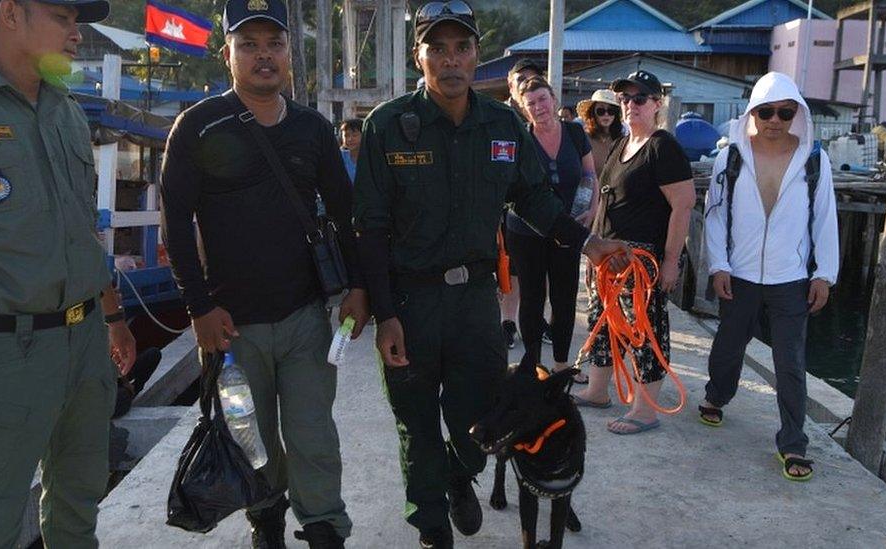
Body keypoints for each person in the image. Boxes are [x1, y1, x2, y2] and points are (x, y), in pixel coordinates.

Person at [352, 3, 630, 547]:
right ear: (420, 57)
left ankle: (461, 475)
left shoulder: (502, 125)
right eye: (438, 48)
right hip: (409, 302)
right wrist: (384, 313)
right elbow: (369, 228)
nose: (451, 60)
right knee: (416, 424)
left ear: (476, 55)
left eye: (462, 48)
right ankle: (432, 526)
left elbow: (535, 200)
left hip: (475, 302)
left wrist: (590, 243)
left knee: (476, 414)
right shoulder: (387, 126)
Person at [0, 0, 137, 545]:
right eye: (63, 18)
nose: (77, 34)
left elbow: (81, 231)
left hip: (86, 344)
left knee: (78, 507)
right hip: (1, 355)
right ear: (11, 13)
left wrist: (113, 316)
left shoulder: (64, 109)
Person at [159, 1, 368, 547]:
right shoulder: (198, 127)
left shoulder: (312, 129)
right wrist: (199, 307)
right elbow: (176, 225)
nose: (263, 56)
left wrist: (359, 288)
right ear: (227, 52)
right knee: (254, 437)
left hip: (305, 316)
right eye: (248, 44)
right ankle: (266, 519)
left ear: (288, 54)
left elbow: (347, 217)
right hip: (231, 326)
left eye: (274, 44)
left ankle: (325, 529)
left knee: (312, 434)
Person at [701, 72, 838, 481]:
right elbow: (715, 213)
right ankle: (717, 395)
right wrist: (718, 265)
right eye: (766, 111)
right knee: (728, 346)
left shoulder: (815, 159)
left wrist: (824, 274)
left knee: (791, 363)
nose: (775, 119)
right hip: (739, 275)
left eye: (784, 111)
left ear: (797, 112)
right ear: (752, 113)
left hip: (791, 278)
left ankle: (794, 444)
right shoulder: (731, 157)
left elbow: (824, 220)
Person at [571, 70, 696, 435]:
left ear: (657, 104)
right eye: (625, 99)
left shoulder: (662, 147)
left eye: (639, 99)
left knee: (645, 331)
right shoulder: (620, 145)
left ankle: (644, 410)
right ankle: (597, 390)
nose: (630, 105)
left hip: (641, 262)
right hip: (608, 259)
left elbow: (684, 205)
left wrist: (670, 262)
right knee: (603, 324)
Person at [508, 75, 598, 372]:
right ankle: (533, 367)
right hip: (526, 231)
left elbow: (589, 175)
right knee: (532, 297)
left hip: (568, 228)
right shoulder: (521, 138)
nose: (538, 107)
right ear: (523, 109)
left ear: (554, 100)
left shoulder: (574, 133)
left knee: (564, 297)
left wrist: (590, 209)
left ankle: (561, 366)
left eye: (542, 99)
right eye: (530, 103)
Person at [500, 57, 543, 348]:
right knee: (510, 271)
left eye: (533, 78)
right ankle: (507, 323)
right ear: (510, 84)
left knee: (541, 274)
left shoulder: (546, 117)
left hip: (542, 207)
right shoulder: (499, 116)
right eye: (520, 79)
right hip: (508, 209)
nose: (526, 83)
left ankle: (539, 321)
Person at [577, 88, 624, 177]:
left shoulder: (622, 140)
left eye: (611, 111)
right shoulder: (583, 138)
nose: (606, 115)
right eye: (601, 111)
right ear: (592, 113)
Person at [339, 118, 363, 184]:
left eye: (354, 135)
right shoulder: (338, 157)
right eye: (346, 135)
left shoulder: (371, 158)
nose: (350, 139)